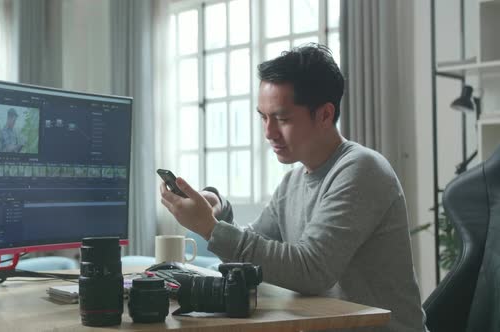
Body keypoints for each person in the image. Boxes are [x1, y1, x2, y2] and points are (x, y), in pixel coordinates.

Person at [160, 44, 427, 332]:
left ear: (325, 114)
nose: (268, 132)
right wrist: (219, 212)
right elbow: (254, 253)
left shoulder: (362, 169)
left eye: (282, 119)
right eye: (263, 117)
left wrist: (211, 229)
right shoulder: (294, 180)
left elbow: (311, 270)